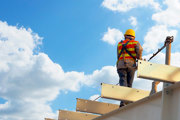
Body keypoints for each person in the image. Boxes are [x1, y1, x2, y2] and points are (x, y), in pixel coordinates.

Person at [116, 29, 143, 107]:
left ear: (125, 36)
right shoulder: (135, 42)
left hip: (120, 64)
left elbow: (118, 55)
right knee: (129, 83)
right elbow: (140, 50)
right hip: (131, 64)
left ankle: (123, 102)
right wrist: (139, 59)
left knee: (123, 81)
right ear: (133, 36)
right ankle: (127, 100)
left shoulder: (119, 44)